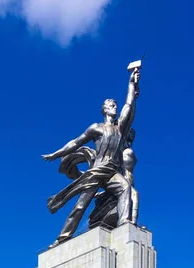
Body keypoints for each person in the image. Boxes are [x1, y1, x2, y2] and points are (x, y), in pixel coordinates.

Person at [42, 67, 140, 247]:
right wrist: (56, 154)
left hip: (111, 172)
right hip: (96, 171)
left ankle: (124, 223)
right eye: (111, 105)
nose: (114, 107)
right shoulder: (96, 128)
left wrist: (132, 84)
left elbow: (129, 104)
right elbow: (75, 143)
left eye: (115, 105)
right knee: (80, 205)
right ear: (104, 110)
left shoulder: (120, 128)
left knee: (125, 187)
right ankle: (62, 238)